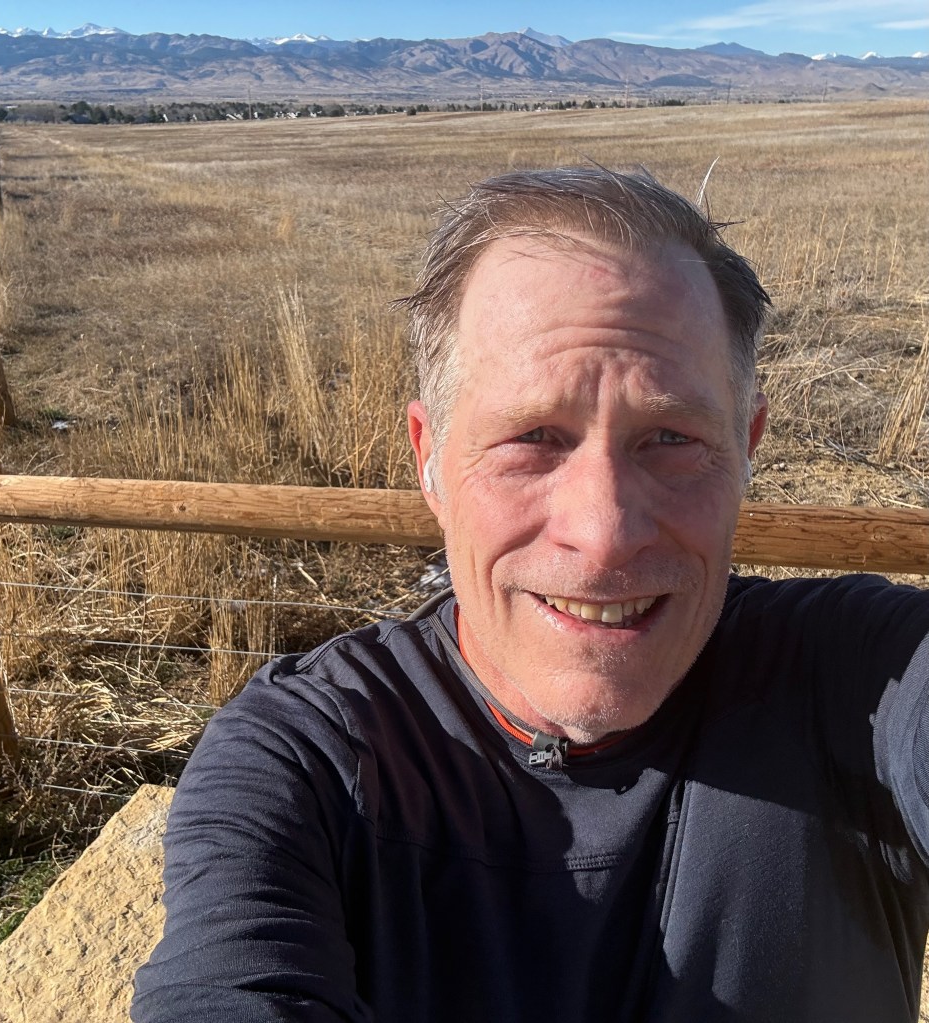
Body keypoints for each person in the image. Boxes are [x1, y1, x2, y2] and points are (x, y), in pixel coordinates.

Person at [132, 168, 929, 1022]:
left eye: (671, 437)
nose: (605, 530)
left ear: (747, 449)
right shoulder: (311, 756)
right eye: (533, 437)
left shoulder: (859, 680)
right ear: (430, 459)